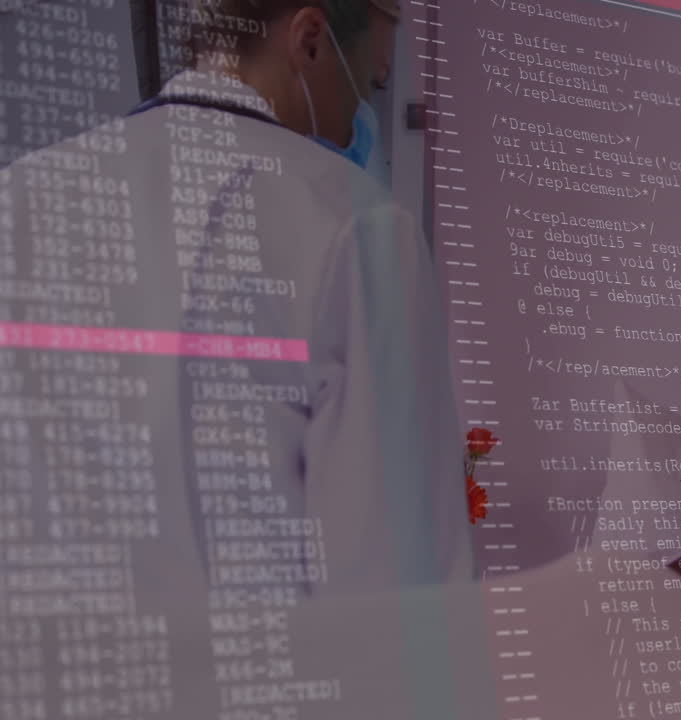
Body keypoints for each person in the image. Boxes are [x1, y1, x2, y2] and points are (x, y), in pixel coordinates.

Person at [0, 0, 470, 597]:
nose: (362, 114)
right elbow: (400, 608)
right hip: (259, 684)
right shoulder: (356, 226)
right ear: (310, 41)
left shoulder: (16, 196)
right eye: (371, 83)